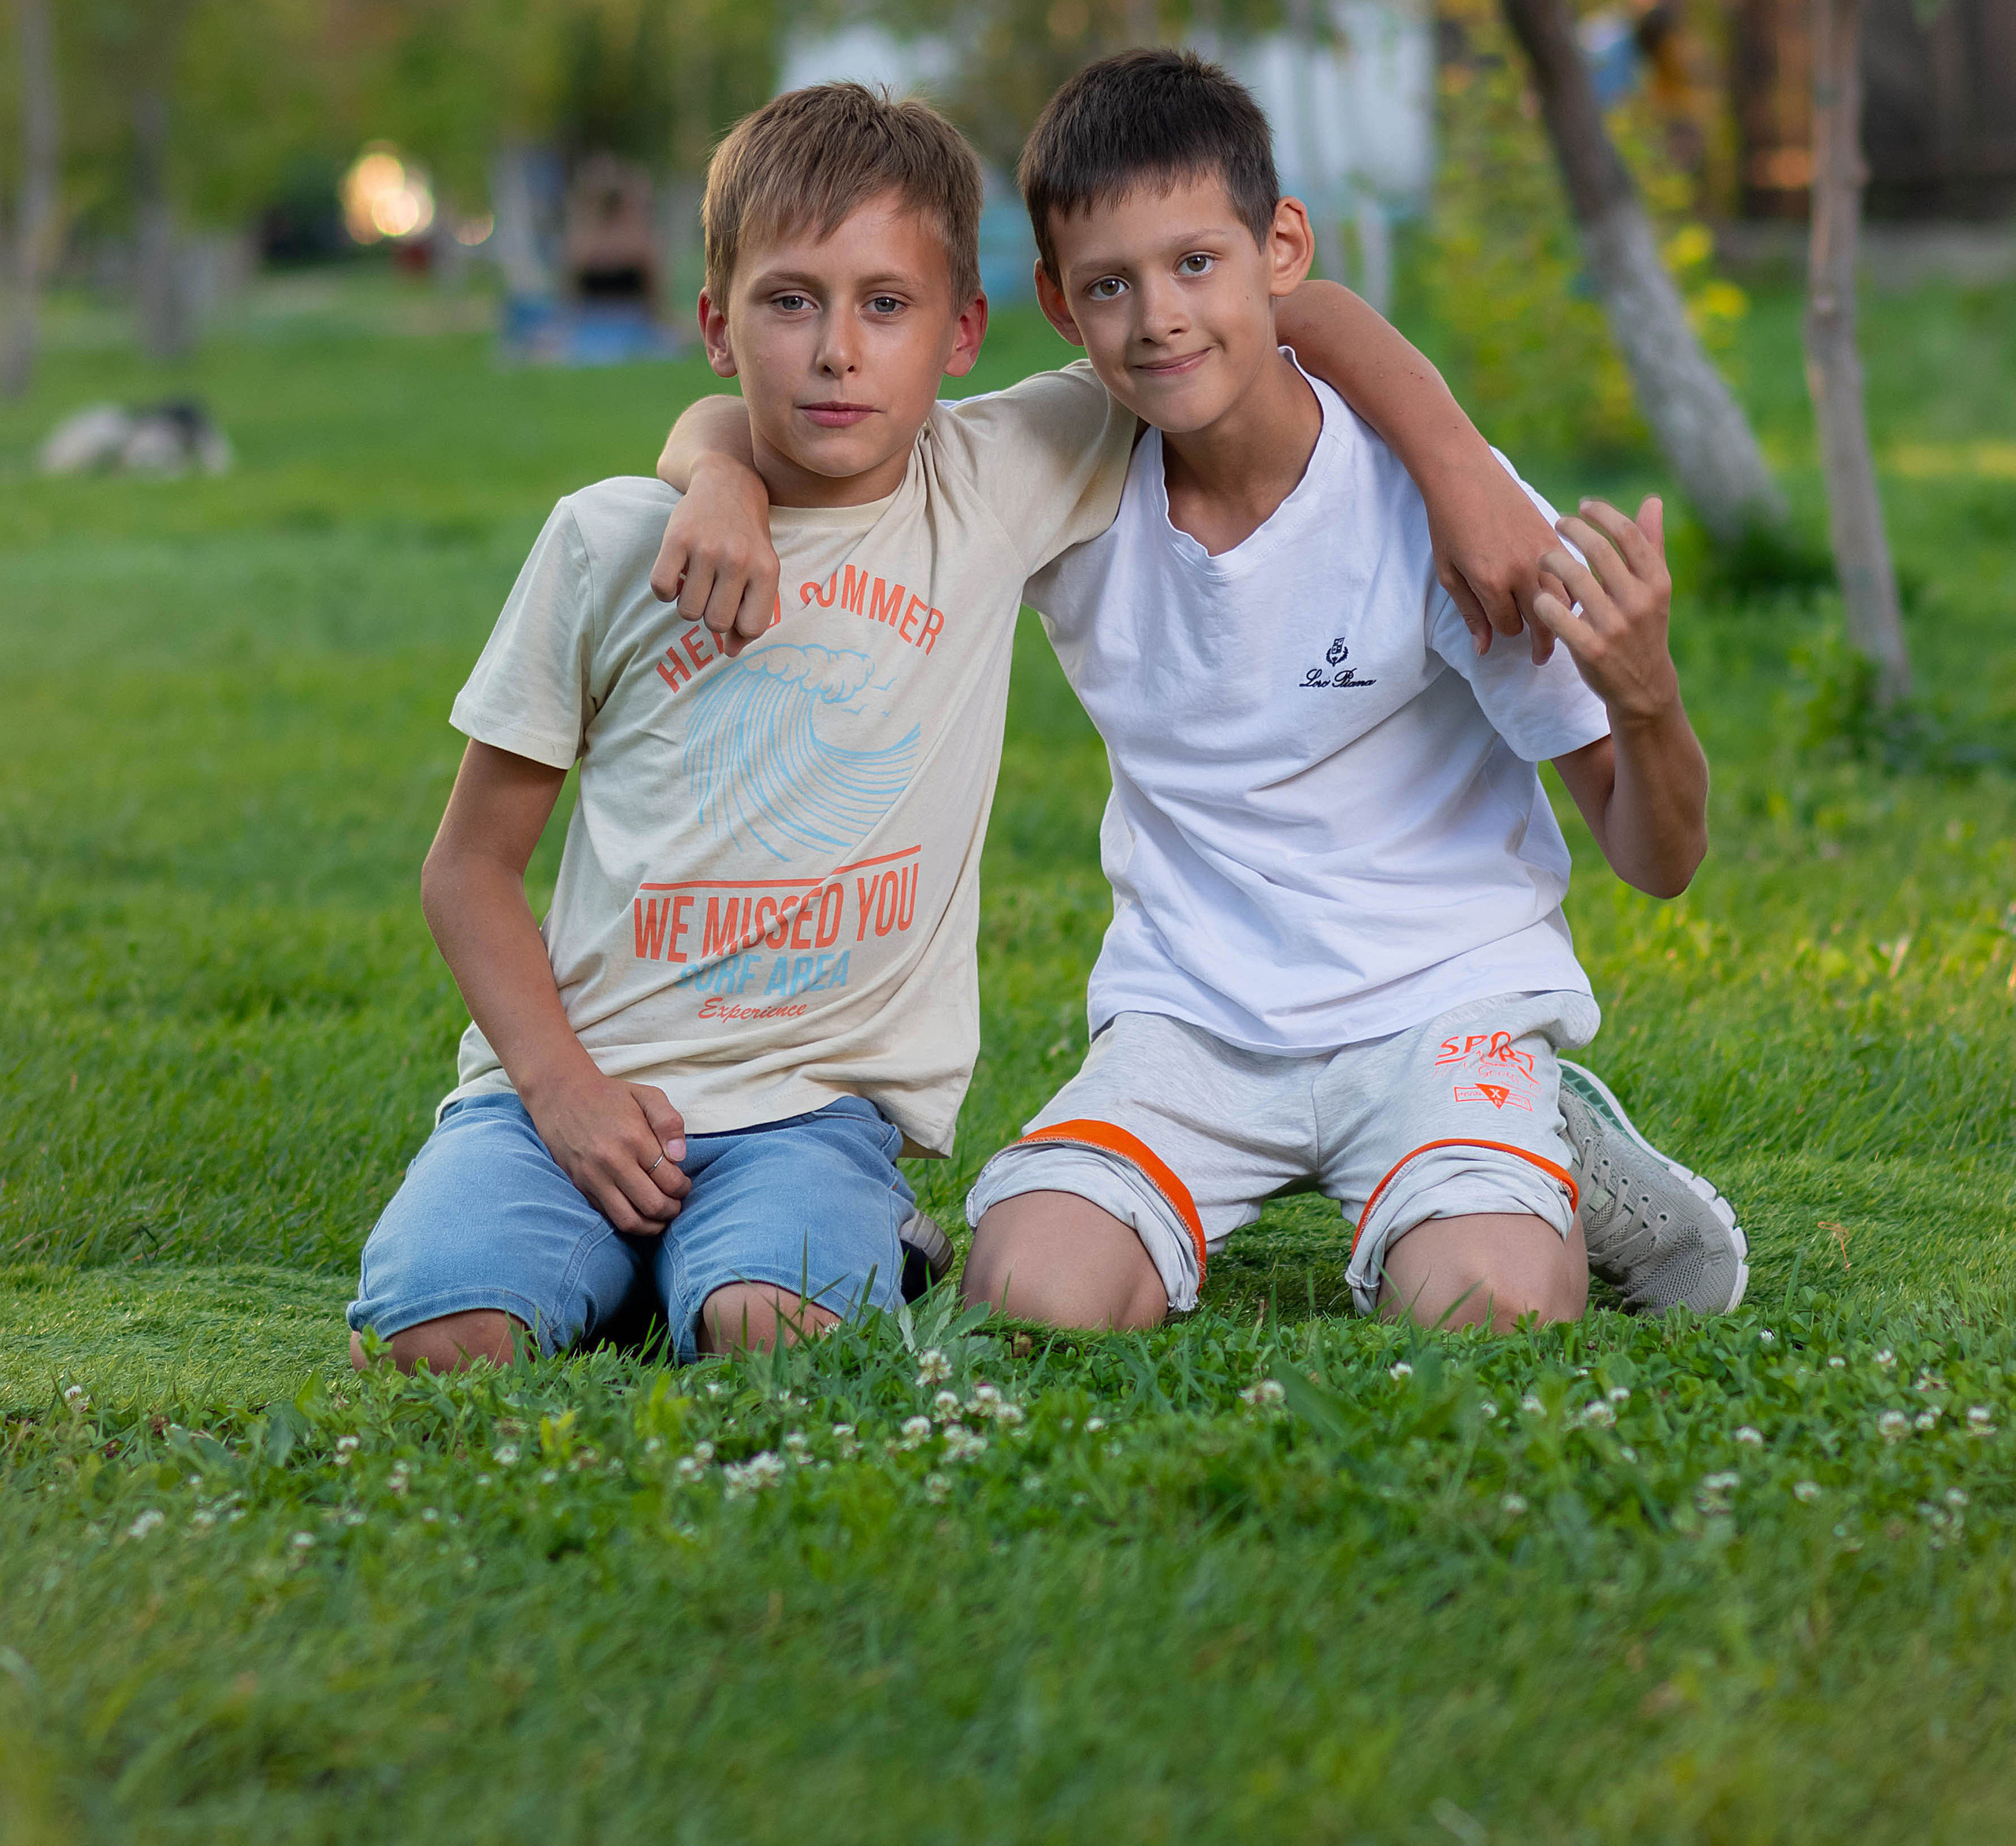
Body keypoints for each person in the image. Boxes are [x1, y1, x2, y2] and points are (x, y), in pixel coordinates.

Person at [350, 81, 1554, 1373]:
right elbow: (467, 867)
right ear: (716, 325)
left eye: (886, 305)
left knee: (777, 1335)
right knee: (439, 1342)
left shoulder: (1000, 476)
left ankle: (808, 1238)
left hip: (811, 1110)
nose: (835, 352)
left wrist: (1462, 467)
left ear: (964, 330)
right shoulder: (608, 542)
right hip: (562, 1099)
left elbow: (1277, 303)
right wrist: (715, 473)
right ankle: (645, 1251)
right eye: (790, 303)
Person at [958, 50, 1745, 1332]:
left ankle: (1530, 1126)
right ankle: (1470, 1152)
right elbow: (852, 450)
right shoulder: (1063, 467)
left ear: (1281, 245)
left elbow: (1655, 860)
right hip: (1193, 1016)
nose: (1158, 315)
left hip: (1442, 999)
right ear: (1058, 303)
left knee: (1485, 1310)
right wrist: (711, 464)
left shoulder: (1452, 516)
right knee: (1031, 1298)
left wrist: (1648, 701)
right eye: (1112, 285)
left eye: (1195, 264)